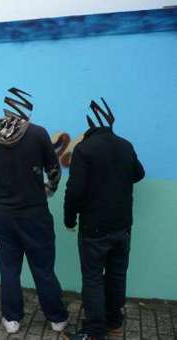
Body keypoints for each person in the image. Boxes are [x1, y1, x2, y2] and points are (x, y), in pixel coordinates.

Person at [0, 88, 68, 334]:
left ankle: (12, 319)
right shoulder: (38, 134)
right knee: (43, 267)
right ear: (27, 111)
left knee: (9, 268)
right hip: (35, 213)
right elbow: (54, 169)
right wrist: (49, 188)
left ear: (5, 109)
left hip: (3, 215)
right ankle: (57, 318)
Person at [63, 98, 145, 340]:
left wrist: (69, 219)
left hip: (94, 228)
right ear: (110, 121)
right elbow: (139, 174)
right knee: (117, 274)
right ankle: (114, 323)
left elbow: (75, 191)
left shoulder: (84, 149)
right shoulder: (125, 146)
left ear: (90, 123)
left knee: (93, 279)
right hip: (123, 225)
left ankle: (95, 331)